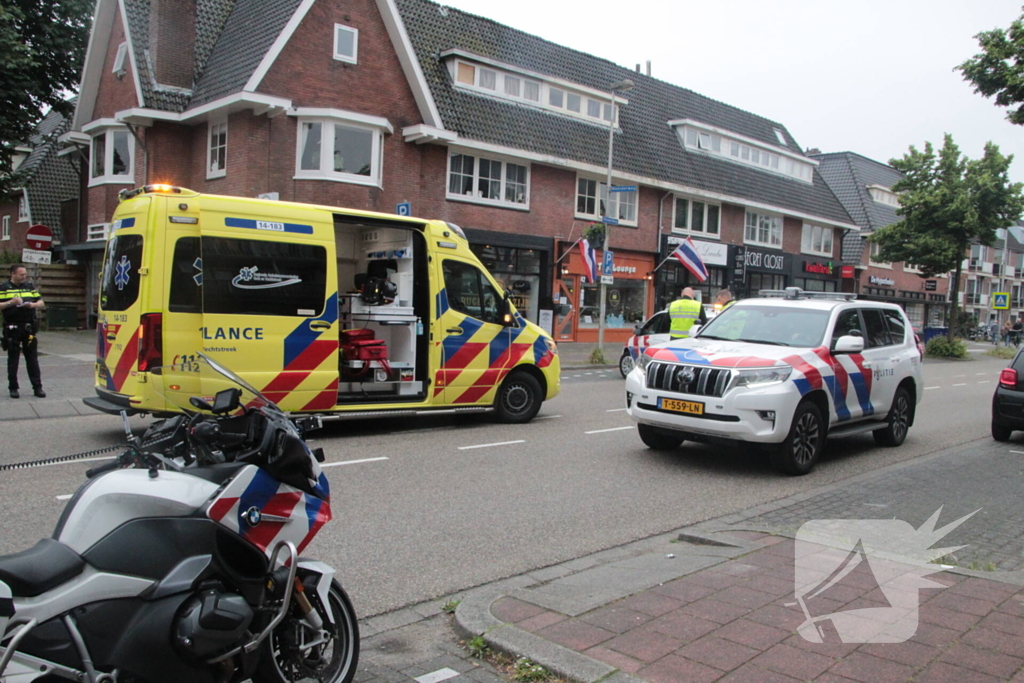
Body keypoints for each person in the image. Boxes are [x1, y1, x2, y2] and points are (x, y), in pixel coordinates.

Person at [0, 264, 45, 399]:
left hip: (28, 327)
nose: (24, 277)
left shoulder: (29, 286)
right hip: (12, 327)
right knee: (13, 359)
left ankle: (37, 387)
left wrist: (32, 305)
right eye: (21, 274)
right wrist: (11, 302)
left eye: (25, 274)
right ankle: (13, 387)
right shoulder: (4, 287)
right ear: (13, 274)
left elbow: (41, 302)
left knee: (32, 359)